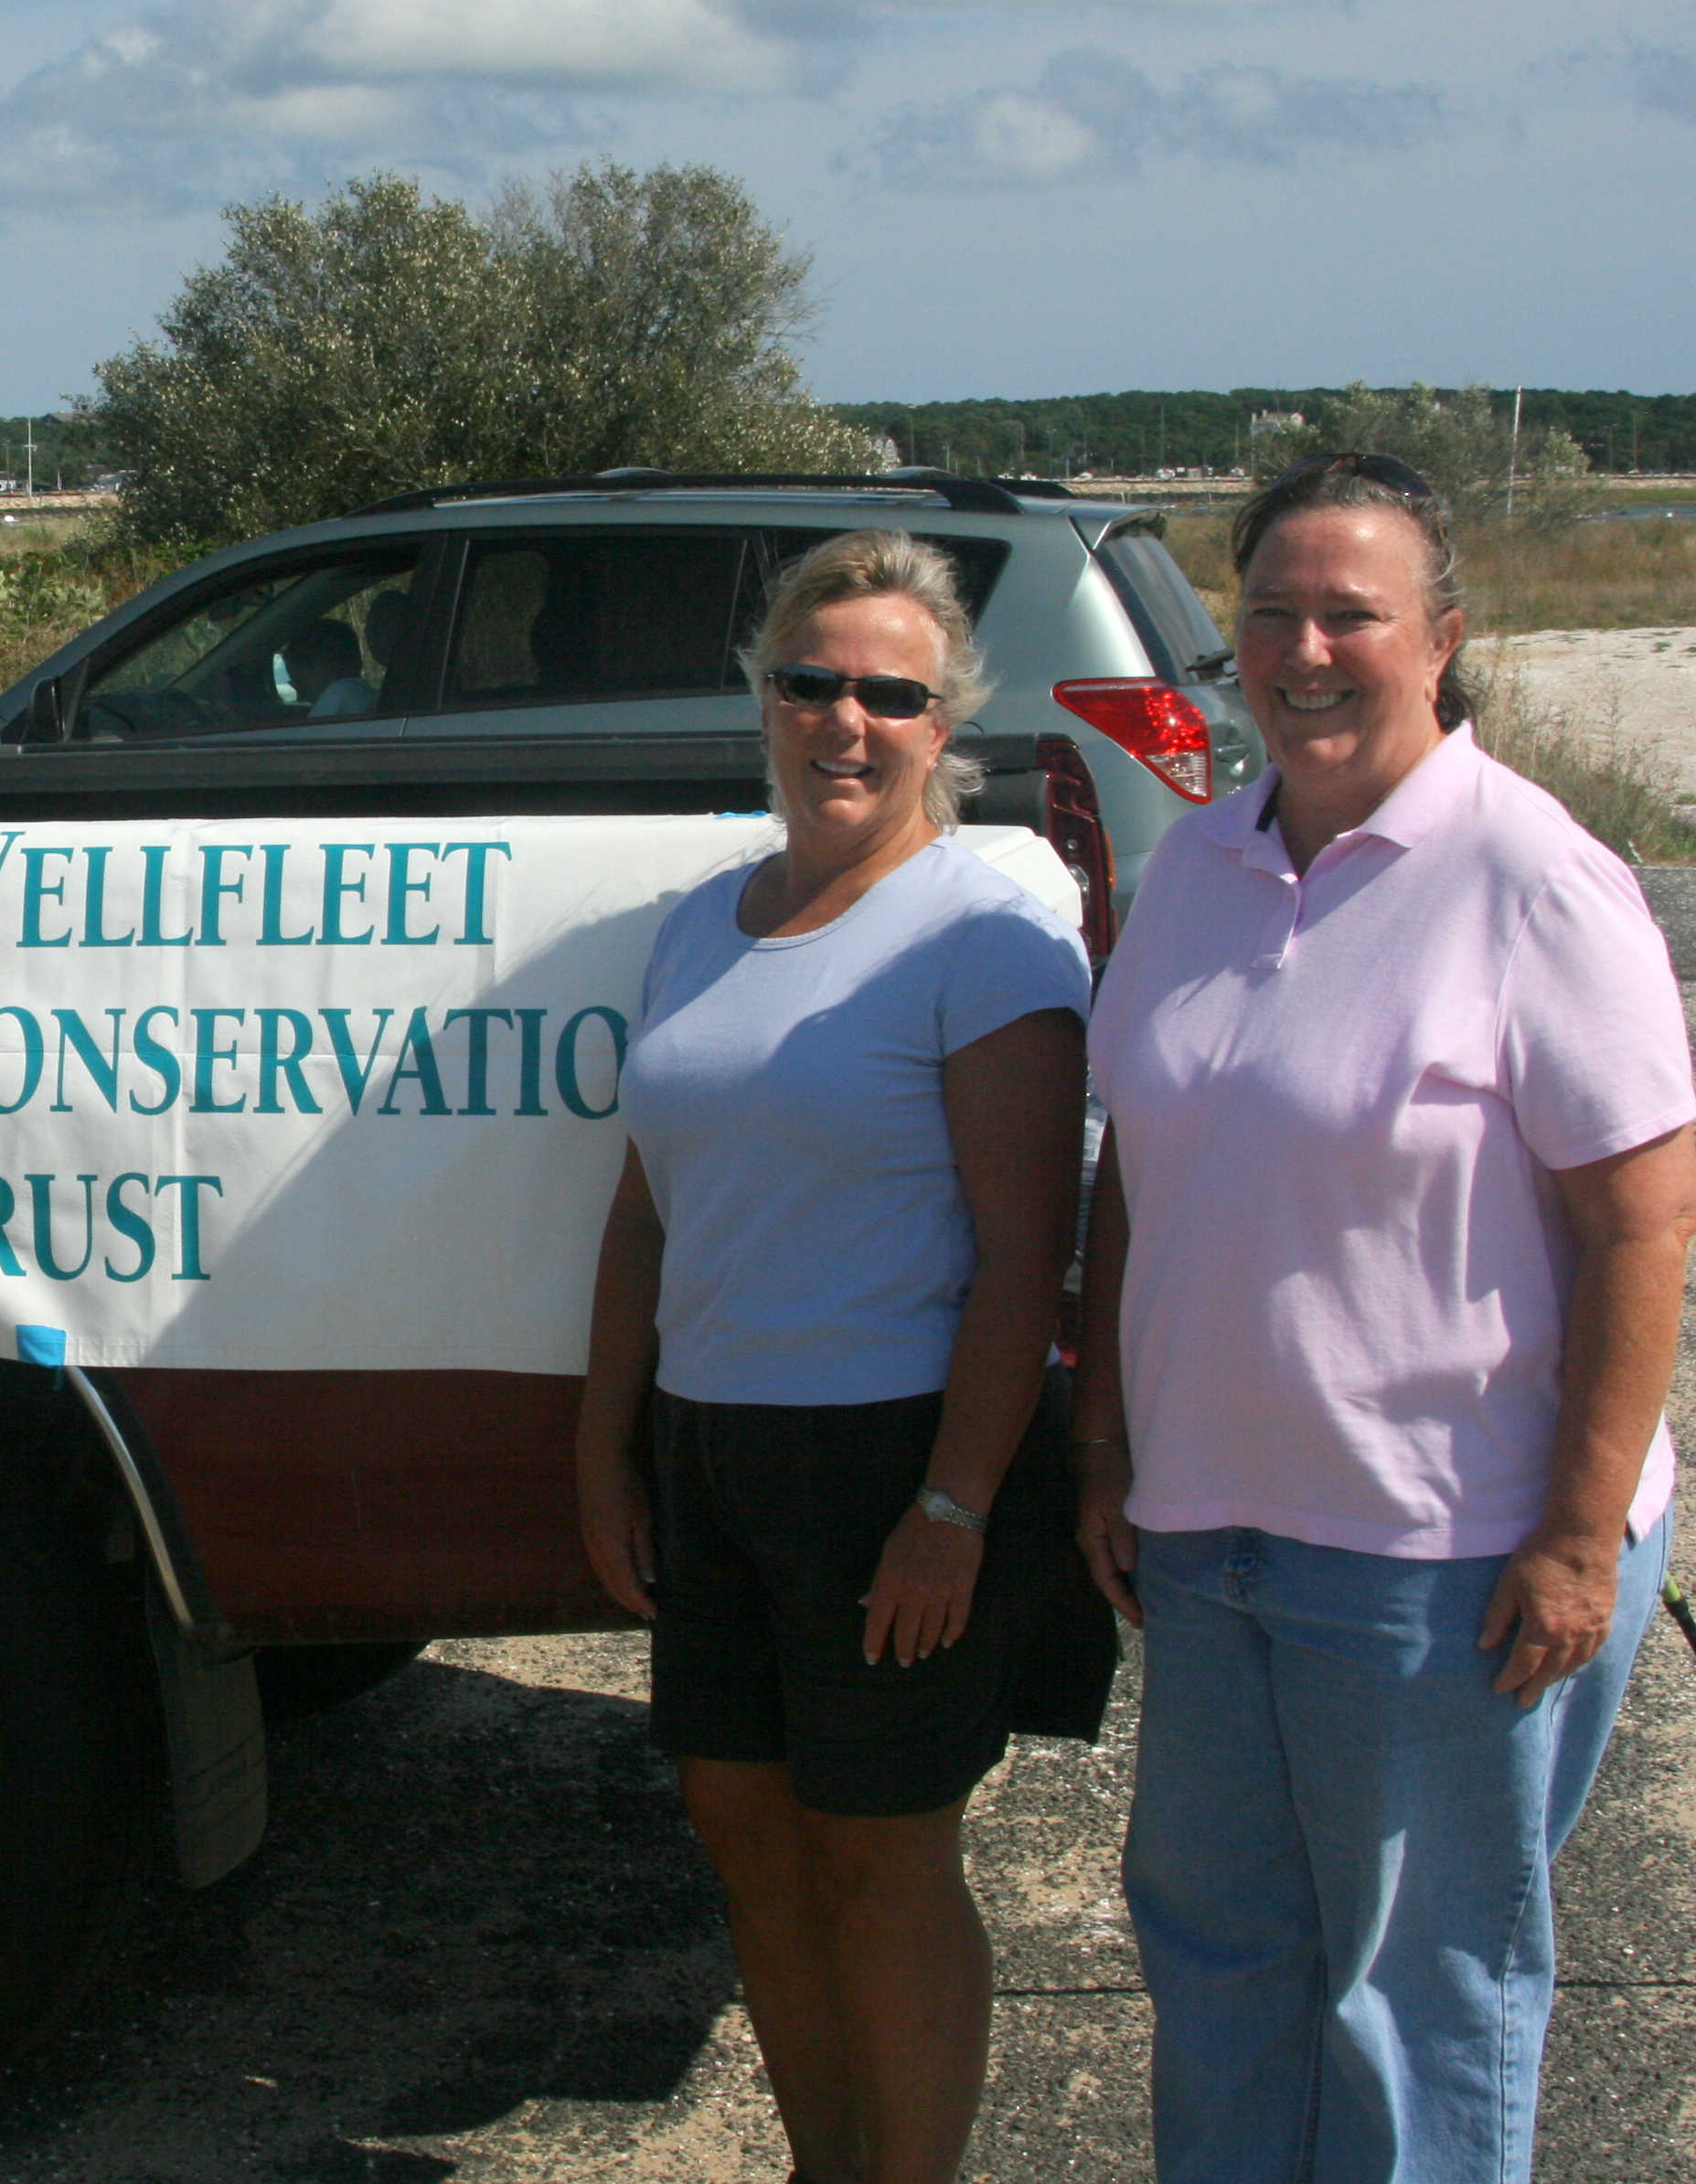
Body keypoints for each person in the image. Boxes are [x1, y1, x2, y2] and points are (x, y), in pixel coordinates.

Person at [1077, 453, 1696, 2182]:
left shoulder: (1532, 875)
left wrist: (1575, 1536)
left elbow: (1645, 1223)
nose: (1305, 650)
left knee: (1411, 2002)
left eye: (1351, 614)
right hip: (1210, 1535)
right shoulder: (1197, 864)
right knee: (1220, 1964)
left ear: (1442, 639)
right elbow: (1140, 1169)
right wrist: (1107, 1442)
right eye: (1271, 612)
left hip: (1442, 1555)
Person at [577, 527, 1093, 2184]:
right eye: (812, 683)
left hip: (890, 1459)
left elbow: (1025, 1257)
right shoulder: (699, 925)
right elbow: (647, 1215)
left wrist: (953, 1508)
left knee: (882, 1860)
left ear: (947, 726)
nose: (846, 722)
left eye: (892, 695)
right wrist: (607, 1451)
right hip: (709, 1447)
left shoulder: (983, 938)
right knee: (747, 1839)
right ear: (766, 700)